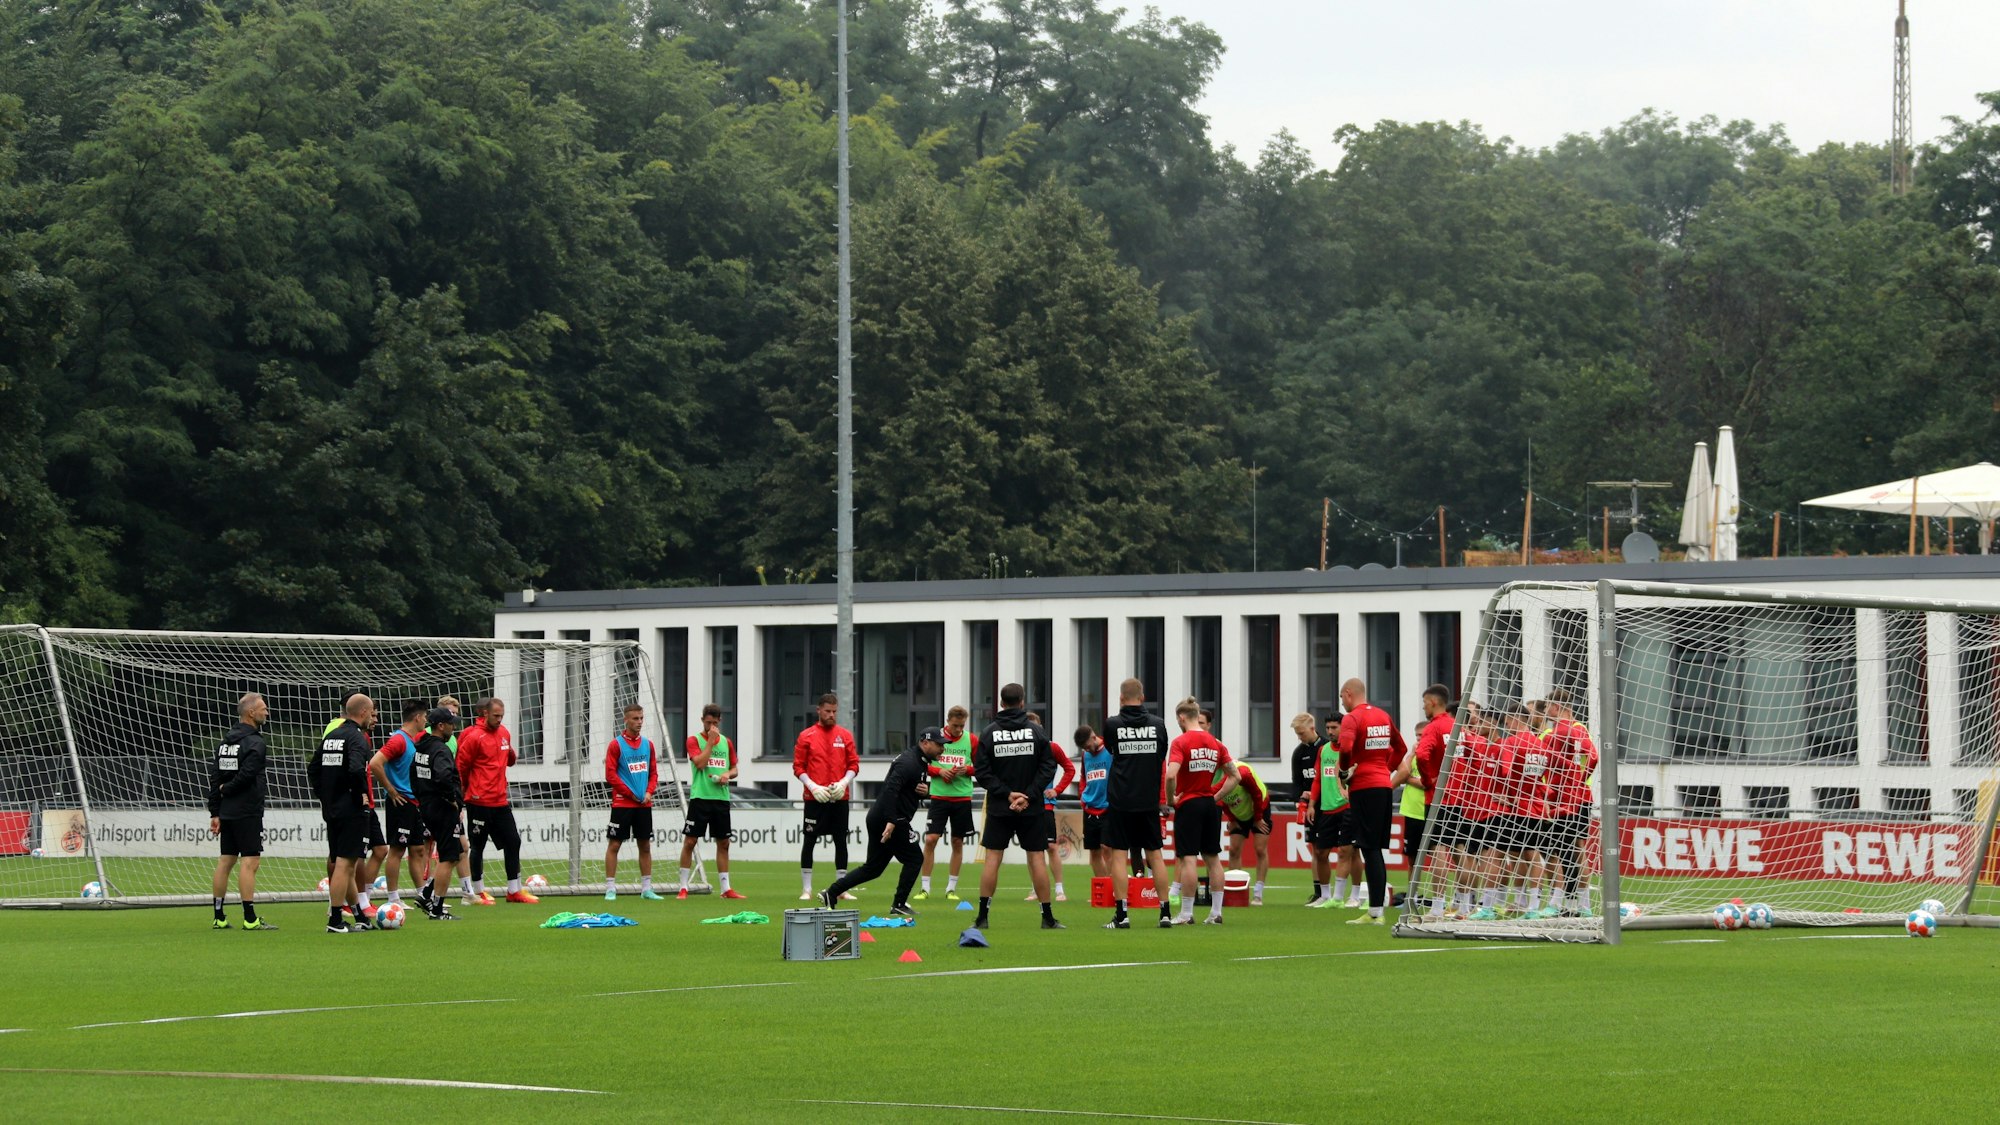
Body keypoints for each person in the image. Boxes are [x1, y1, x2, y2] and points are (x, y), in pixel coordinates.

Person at [819, 728, 946, 915]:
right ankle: (899, 904)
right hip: (891, 819)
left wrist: (923, 792)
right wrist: (892, 821)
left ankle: (831, 893)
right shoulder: (909, 763)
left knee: (873, 868)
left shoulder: (919, 760)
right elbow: (889, 791)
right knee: (915, 859)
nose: (942, 748)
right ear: (925, 742)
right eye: (939, 744)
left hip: (881, 817)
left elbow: (904, 789)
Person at [971, 683, 1062, 929]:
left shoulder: (989, 733)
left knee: (992, 859)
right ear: (1022, 702)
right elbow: (1048, 767)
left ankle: (982, 917)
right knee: (1036, 859)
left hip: (1001, 806)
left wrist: (1007, 794)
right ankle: (1047, 917)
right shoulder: (1036, 732)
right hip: (1031, 807)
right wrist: (1029, 795)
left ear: (1001, 703)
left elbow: (981, 772)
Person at [1099, 677, 1175, 930]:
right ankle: (1165, 912)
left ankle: (1122, 915)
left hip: (1121, 799)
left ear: (1121, 698)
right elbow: (1160, 755)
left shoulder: (1112, 724)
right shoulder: (1158, 724)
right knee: (1155, 855)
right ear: (1142, 698)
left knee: (1119, 856)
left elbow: (1111, 751)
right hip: (1148, 800)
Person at [1336, 679, 1408, 925]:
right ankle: (1376, 910)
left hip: (1364, 788)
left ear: (1348, 694)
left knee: (1369, 848)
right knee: (1374, 849)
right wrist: (1384, 769)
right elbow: (1401, 748)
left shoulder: (1352, 718)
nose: (1342, 704)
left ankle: (1376, 912)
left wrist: (1345, 771)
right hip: (1383, 787)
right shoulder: (1382, 715)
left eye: (1342, 698)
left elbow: (1345, 747)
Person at [1165, 698, 1241, 925]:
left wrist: (1171, 799)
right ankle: (1216, 912)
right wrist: (1215, 797)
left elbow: (1170, 775)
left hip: (1189, 804)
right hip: (1209, 804)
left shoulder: (1181, 742)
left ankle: (1187, 914)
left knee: (1188, 858)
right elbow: (1235, 775)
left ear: (1181, 718)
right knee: (1213, 858)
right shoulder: (1215, 742)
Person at [457, 697, 534, 904]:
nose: (499, 720)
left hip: (500, 800)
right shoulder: (473, 736)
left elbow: (508, 758)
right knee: (478, 846)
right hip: (478, 800)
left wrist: (510, 754)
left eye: (502, 716)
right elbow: (462, 766)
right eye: (496, 716)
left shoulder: (504, 733)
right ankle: (479, 890)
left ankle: (513, 890)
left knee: (513, 841)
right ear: (485, 714)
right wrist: (467, 790)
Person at [208, 692, 274, 930]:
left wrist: (215, 812)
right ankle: (249, 918)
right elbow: (246, 776)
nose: (267, 712)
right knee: (250, 861)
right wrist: (228, 789)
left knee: (225, 861)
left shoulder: (225, 743)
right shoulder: (255, 742)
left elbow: (215, 778)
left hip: (226, 812)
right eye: (263, 708)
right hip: (247, 810)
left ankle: (218, 916)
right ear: (251, 713)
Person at [310, 693, 375, 933]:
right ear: (362, 712)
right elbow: (357, 769)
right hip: (350, 808)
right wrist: (360, 795)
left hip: (332, 807)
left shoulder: (332, 736)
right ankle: (335, 919)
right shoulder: (358, 738)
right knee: (345, 864)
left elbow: (313, 768)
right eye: (371, 711)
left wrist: (325, 795)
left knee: (343, 863)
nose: (372, 716)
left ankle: (359, 915)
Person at [367, 700, 432, 909]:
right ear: (418, 718)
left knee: (418, 850)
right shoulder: (399, 740)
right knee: (396, 850)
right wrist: (391, 790)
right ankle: (393, 898)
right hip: (400, 802)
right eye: (425, 717)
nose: (426, 721)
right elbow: (375, 764)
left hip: (413, 802)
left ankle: (423, 895)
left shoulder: (414, 740)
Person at [794, 693, 859, 901]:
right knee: (810, 840)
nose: (831, 715)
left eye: (834, 711)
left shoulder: (845, 735)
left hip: (839, 797)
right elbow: (798, 767)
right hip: (815, 798)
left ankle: (841, 889)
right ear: (819, 710)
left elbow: (854, 764)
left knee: (841, 841)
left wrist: (843, 783)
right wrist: (812, 787)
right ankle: (806, 889)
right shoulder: (806, 736)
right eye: (828, 711)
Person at [680, 703, 746, 900]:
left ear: (720, 721)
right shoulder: (694, 740)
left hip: (720, 798)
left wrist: (727, 773)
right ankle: (683, 886)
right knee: (690, 841)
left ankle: (726, 889)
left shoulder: (727, 742)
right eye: (708, 723)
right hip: (700, 797)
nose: (711, 727)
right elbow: (699, 763)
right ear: (702, 721)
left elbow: (735, 769)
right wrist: (709, 741)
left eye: (714, 723)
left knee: (724, 843)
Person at [1542, 690, 1600, 918]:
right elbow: (1593, 756)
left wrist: (1547, 793)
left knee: (1559, 851)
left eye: (1547, 706)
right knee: (1577, 850)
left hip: (1561, 800)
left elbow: (1543, 767)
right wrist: (1581, 779)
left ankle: (1561, 902)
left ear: (1556, 706)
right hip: (1582, 798)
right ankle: (1583, 906)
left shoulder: (1553, 734)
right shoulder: (1579, 729)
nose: (1546, 711)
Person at [1395, 686, 1452, 910]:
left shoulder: (1434, 727)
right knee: (1458, 850)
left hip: (1437, 799)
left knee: (1437, 849)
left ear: (1433, 702)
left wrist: (1429, 780)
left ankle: (1437, 906)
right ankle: (1462, 905)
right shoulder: (1457, 727)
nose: (1423, 706)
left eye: (1424, 702)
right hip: (1458, 796)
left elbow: (1423, 755)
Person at [917, 705, 979, 901]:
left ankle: (951, 888)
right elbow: (922, 763)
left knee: (957, 842)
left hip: (962, 797)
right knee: (930, 840)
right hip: (939, 797)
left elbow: (982, 767)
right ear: (948, 722)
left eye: (961, 726)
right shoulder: (936, 738)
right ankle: (925, 888)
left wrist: (967, 770)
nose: (959, 730)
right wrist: (940, 772)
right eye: (955, 726)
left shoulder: (971, 739)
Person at [602, 702, 662, 901]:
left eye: (641, 718)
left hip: (644, 804)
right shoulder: (616, 745)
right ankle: (610, 888)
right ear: (625, 719)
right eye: (635, 719)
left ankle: (646, 888)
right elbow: (610, 775)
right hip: (622, 804)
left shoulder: (648, 745)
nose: (639, 722)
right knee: (615, 845)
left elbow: (653, 773)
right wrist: (630, 794)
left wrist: (649, 792)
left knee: (645, 846)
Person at [412, 708, 465, 921]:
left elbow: (413, 775)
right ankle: (437, 908)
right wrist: (452, 799)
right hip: (443, 808)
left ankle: (426, 893)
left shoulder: (420, 747)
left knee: (457, 852)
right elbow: (443, 777)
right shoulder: (440, 750)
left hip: (427, 805)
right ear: (441, 726)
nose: (454, 727)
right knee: (448, 857)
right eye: (451, 723)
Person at [1023, 711, 1076, 903]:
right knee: (1031, 849)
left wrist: (1058, 790)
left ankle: (1059, 890)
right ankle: (1035, 888)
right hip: (1027, 805)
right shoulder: (1021, 748)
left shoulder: (1051, 747)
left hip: (1045, 806)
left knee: (1051, 846)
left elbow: (1070, 768)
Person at [1290, 713, 1333, 906]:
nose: (1300, 737)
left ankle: (1345, 894)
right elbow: (1297, 783)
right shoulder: (1299, 753)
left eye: (1302, 733)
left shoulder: (1327, 748)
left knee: (1345, 851)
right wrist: (1300, 799)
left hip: (1330, 804)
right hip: (1311, 808)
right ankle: (1319, 892)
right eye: (1298, 734)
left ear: (1312, 728)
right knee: (1316, 849)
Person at [1220, 758, 1271, 906]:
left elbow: (1256, 794)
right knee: (1234, 851)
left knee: (1260, 849)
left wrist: (1258, 818)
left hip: (1260, 808)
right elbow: (1221, 801)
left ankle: (1258, 894)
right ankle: (1236, 892)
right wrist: (1231, 819)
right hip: (1238, 814)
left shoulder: (1242, 773)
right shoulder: (1214, 778)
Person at [1076, 725, 1111, 878]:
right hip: (1090, 807)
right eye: (1084, 748)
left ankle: (1113, 887)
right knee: (1094, 851)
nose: (1087, 750)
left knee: (1107, 847)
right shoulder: (1085, 756)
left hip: (1108, 807)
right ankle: (1102, 887)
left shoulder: (1110, 750)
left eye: (1088, 746)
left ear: (1093, 736)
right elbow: (1083, 776)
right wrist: (1082, 797)